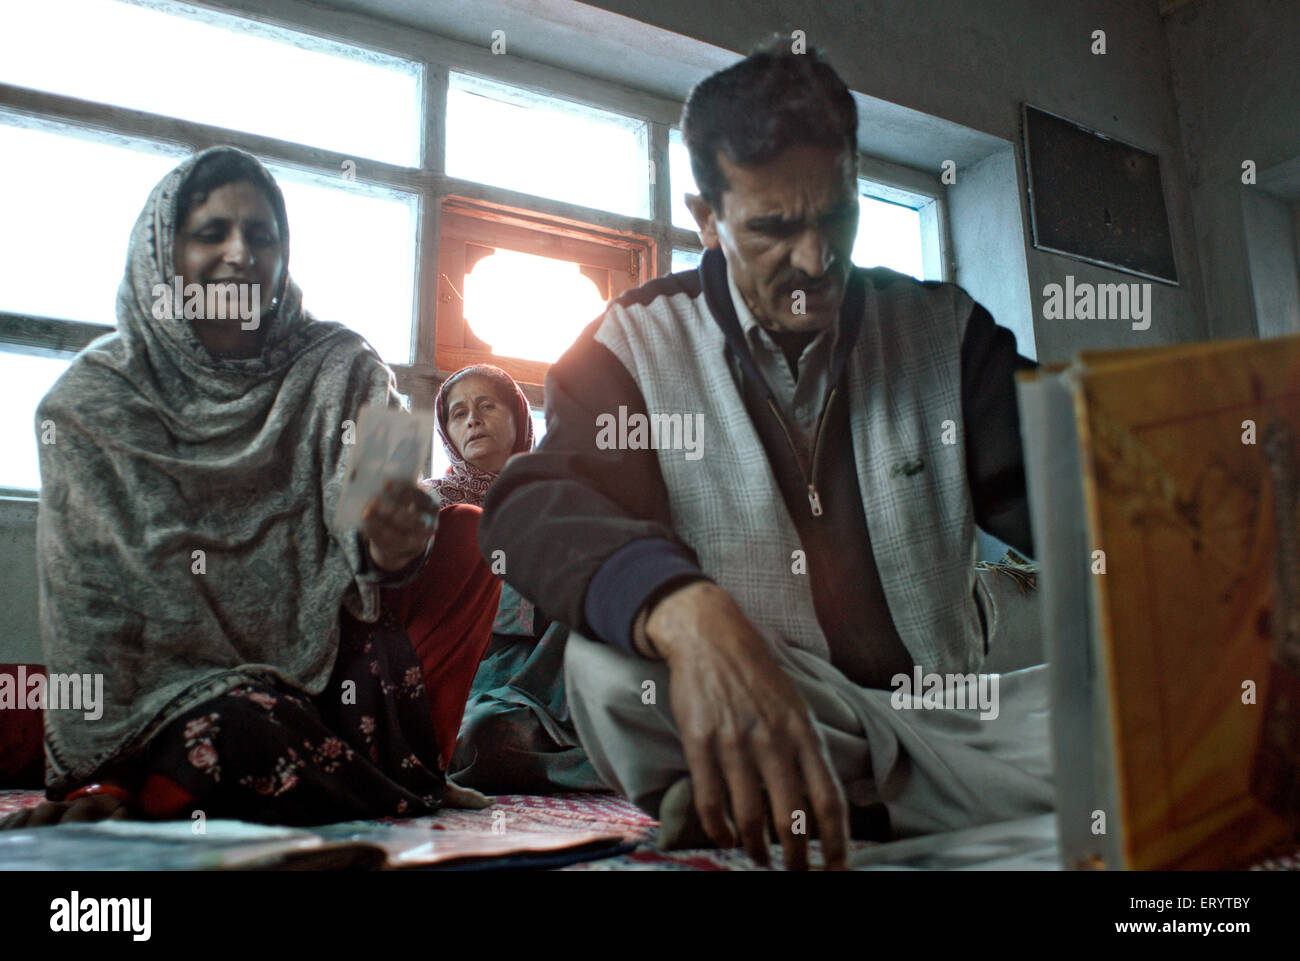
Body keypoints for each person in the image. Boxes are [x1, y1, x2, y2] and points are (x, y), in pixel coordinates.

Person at [480, 44, 1054, 870]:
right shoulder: (633, 344)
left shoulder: (948, 334)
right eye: (775, 228)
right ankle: (893, 805)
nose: (817, 261)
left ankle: (809, 805)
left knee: (1141, 708)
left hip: (951, 723)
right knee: (606, 673)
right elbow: (531, 506)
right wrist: (687, 610)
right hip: (762, 708)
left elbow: (1082, 491)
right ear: (705, 218)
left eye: (836, 218)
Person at [1, 146, 500, 830]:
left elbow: (383, 506)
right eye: (211, 233)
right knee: (225, 729)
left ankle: (414, 768)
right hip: (172, 687)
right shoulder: (87, 403)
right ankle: (155, 777)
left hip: (330, 668)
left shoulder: (347, 361)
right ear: (163, 252)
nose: (239, 253)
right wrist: (100, 772)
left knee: (472, 532)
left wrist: (390, 532)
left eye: (260, 235)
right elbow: (90, 605)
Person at [426, 365, 603, 793]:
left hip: (561, 675)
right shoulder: (427, 504)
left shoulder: (562, 499)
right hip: (471, 677)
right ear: (447, 430)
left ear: (520, 419)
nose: (473, 419)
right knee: (484, 734)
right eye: (458, 412)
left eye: (487, 405)